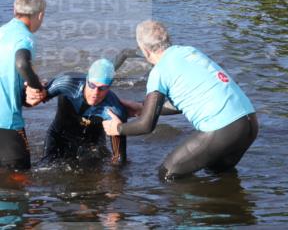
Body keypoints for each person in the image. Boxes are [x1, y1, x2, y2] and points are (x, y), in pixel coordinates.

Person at [103, 20, 258, 180]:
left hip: (222, 128)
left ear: (145, 50)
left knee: (168, 175)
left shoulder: (159, 71)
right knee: (217, 174)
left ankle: (188, 206)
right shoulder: (190, 51)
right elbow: (188, 100)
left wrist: (118, 129)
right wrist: (143, 108)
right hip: (249, 122)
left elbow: (146, 125)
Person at [26, 52, 138, 166]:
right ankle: (124, 54)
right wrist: (33, 89)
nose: (95, 93)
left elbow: (119, 158)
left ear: (110, 86)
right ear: (86, 80)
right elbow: (29, 99)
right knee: (45, 165)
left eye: (102, 88)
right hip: (59, 134)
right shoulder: (66, 84)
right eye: (92, 85)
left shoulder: (115, 111)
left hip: (92, 143)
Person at [0, 0, 47, 170]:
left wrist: (21, 92)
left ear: (14, 9)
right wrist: (37, 88)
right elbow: (21, 63)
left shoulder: (1, 32)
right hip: (8, 126)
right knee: (20, 182)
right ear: (40, 15)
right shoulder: (25, 37)